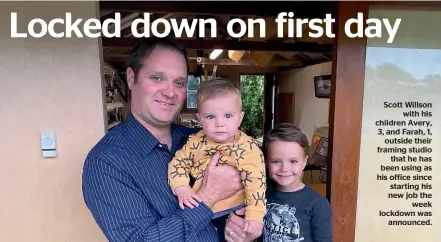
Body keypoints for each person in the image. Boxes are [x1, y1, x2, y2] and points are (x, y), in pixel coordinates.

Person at [82, 37, 243, 242]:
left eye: (179, 83)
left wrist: (235, 228)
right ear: (131, 78)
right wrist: (208, 195)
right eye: (157, 78)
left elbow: (227, 212)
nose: (169, 92)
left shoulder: (196, 140)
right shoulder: (106, 162)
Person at [167, 78, 267, 241]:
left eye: (228, 115)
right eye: (210, 116)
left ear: (240, 118)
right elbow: (178, 163)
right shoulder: (195, 142)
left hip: (236, 210)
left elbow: (257, 182)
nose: (219, 123)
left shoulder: (248, 148)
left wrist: (255, 215)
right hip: (202, 208)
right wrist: (181, 188)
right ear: (199, 118)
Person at [224, 123, 332, 242]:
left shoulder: (317, 204)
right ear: (265, 162)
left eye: (293, 161)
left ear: (304, 162)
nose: (284, 168)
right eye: (276, 161)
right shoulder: (257, 190)